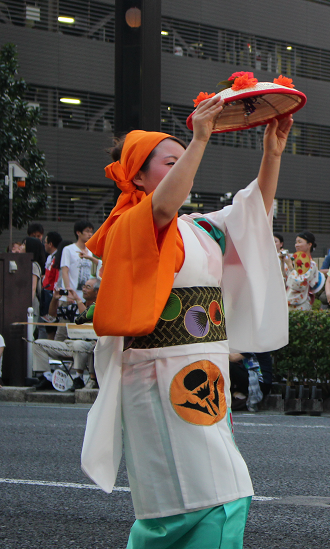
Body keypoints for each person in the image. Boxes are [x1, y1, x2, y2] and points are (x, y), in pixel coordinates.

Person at [79, 95, 290, 548]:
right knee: (198, 504)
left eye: (184, 160)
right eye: (169, 162)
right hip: (157, 375)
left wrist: (271, 153)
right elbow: (159, 208)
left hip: (202, 371)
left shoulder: (198, 226)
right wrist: (198, 139)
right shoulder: (131, 222)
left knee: (207, 500)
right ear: (137, 175)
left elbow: (252, 215)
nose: (182, 169)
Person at [33, 278, 100, 390]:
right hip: (69, 344)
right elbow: (52, 314)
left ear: (97, 292)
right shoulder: (73, 307)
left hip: (90, 345)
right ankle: (47, 377)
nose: (83, 289)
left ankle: (78, 378)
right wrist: (55, 299)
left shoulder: (99, 308)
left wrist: (77, 299)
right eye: (84, 286)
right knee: (38, 343)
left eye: (88, 287)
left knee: (78, 344)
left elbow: (87, 318)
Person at [57, 220, 96, 304]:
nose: (90, 234)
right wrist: (68, 292)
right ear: (78, 232)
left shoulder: (90, 252)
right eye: (87, 231)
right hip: (71, 296)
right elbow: (64, 272)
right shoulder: (68, 249)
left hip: (85, 297)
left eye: (91, 232)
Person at [285, 231, 319, 310]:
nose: (296, 245)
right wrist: (283, 262)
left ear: (309, 245)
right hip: (287, 301)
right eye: (296, 242)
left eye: (300, 242)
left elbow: (299, 284)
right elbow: (283, 279)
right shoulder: (293, 260)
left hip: (301, 303)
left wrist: (290, 266)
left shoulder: (311, 264)